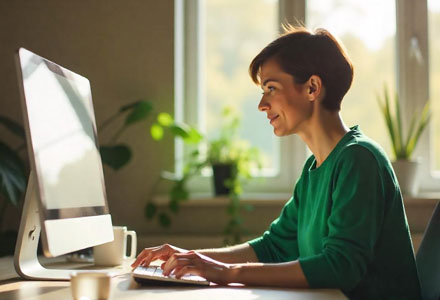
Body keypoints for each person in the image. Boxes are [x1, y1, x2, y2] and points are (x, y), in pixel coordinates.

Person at [131, 26, 421, 299]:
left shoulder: (359, 160)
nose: (262, 105)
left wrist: (228, 272)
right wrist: (190, 258)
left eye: (271, 88)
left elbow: (341, 267)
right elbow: (273, 247)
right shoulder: (314, 171)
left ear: (312, 88)